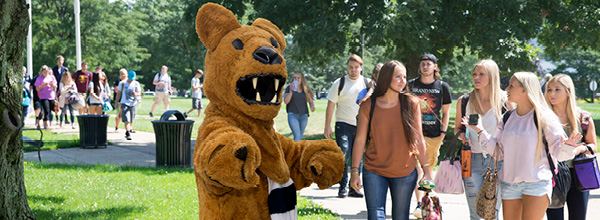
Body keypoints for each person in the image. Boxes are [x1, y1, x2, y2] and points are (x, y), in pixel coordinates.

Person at [463, 71, 585, 220]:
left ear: (524, 89)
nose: (506, 89)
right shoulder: (507, 117)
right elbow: (499, 152)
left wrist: (569, 147)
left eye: (511, 86)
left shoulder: (545, 118)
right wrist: (480, 131)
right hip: (509, 184)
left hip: (536, 184)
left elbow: (559, 154)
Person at [350, 60, 433, 220]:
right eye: (398, 77)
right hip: (374, 170)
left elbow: (418, 139)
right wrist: (355, 171)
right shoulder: (368, 105)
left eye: (404, 77)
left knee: (400, 217)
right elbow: (360, 140)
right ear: (386, 78)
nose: (403, 81)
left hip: (405, 171)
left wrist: (427, 171)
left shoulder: (411, 103)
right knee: (375, 216)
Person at [454, 59, 511, 220]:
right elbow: (458, 129)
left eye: (481, 74)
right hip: (472, 160)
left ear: (492, 76)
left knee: (492, 212)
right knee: (475, 213)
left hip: (497, 161)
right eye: (474, 74)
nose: (476, 78)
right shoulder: (464, 100)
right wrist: (463, 138)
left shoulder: (505, 101)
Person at [545, 74, 597, 220]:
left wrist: (578, 149)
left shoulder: (583, 117)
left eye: (557, 90)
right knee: (554, 217)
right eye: (549, 90)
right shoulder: (543, 117)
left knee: (578, 217)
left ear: (568, 92)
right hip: (552, 174)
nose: (552, 94)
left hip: (578, 174)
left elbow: (593, 146)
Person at [407, 53, 451, 215]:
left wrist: (442, 134)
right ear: (420, 67)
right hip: (413, 134)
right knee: (417, 168)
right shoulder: (411, 85)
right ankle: (420, 203)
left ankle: (426, 200)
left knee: (428, 169)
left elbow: (446, 113)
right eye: (423, 64)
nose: (425, 66)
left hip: (434, 135)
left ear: (435, 67)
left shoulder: (442, 86)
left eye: (428, 64)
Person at [324, 54, 371, 198]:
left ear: (361, 68)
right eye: (351, 67)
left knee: (358, 156)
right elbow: (331, 104)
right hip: (343, 123)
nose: (353, 70)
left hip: (361, 125)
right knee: (344, 152)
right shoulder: (340, 82)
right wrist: (327, 126)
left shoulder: (367, 83)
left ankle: (354, 187)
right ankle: (343, 186)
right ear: (347, 68)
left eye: (356, 67)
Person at [283, 72, 315, 141]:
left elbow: (311, 101)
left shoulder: (306, 89)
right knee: (297, 136)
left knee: (300, 136)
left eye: (298, 78)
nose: (296, 79)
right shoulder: (289, 88)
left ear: (302, 79)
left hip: (304, 116)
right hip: (292, 115)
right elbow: (286, 101)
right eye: (295, 78)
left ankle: (298, 150)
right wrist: (291, 91)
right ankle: (297, 151)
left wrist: (312, 106)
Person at [115, 70, 141, 140]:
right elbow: (119, 93)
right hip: (124, 103)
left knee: (131, 119)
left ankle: (129, 129)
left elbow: (139, 93)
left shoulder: (136, 83)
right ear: (128, 76)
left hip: (133, 103)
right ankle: (127, 132)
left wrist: (136, 94)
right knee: (127, 118)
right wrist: (116, 102)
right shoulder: (122, 83)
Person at [34, 65, 58, 129]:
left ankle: (45, 123)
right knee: (46, 110)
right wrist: (43, 85)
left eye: (46, 72)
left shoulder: (52, 77)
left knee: (49, 110)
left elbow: (56, 85)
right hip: (43, 96)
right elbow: (37, 89)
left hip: (51, 96)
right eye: (44, 72)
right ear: (41, 72)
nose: (45, 74)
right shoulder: (39, 78)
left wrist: (53, 85)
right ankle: (47, 124)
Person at [52, 55, 69, 124]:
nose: (60, 62)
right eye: (59, 60)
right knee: (56, 102)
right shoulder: (54, 69)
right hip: (56, 87)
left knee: (64, 102)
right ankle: (57, 118)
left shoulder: (65, 69)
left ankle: (65, 118)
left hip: (63, 87)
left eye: (61, 60)